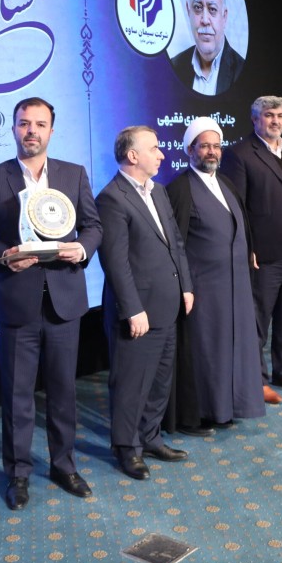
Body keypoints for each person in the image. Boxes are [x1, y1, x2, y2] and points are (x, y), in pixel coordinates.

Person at [0, 97, 103, 510]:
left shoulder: (73, 174)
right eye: (24, 123)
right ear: (13, 129)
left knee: (63, 391)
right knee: (18, 395)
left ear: (51, 131)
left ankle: (64, 465)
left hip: (64, 300)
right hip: (16, 300)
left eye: (40, 124)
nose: (31, 131)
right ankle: (18, 474)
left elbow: (93, 226)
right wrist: (5, 254)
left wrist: (81, 249)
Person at [96, 126, 194, 480]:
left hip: (168, 304)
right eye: (154, 148)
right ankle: (127, 448)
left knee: (159, 380)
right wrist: (132, 308)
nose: (162, 154)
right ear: (133, 155)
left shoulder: (159, 191)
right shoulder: (112, 198)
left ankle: (150, 438)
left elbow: (175, 243)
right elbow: (115, 262)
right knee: (131, 384)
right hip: (138, 311)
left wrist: (186, 286)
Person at [165, 116, 265, 433]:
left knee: (234, 349)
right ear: (190, 150)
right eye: (205, 146)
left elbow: (241, 224)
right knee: (207, 352)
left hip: (236, 287)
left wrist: (249, 251)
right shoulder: (180, 189)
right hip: (203, 291)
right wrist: (184, 286)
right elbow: (174, 244)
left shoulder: (226, 183)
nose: (212, 152)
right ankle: (201, 413)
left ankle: (229, 406)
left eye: (216, 146)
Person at [220, 96, 282, 403]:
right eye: (268, 115)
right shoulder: (239, 154)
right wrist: (247, 246)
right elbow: (236, 207)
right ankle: (257, 380)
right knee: (258, 321)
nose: (275, 120)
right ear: (255, 119)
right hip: (263, 255)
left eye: (279, 115)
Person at [170, 0, 245, 96]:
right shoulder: (174, 67)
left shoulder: (242, 72)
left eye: (212, 9)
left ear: (224, 16)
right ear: (188, 10)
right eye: (198, 7)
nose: (205, 20)